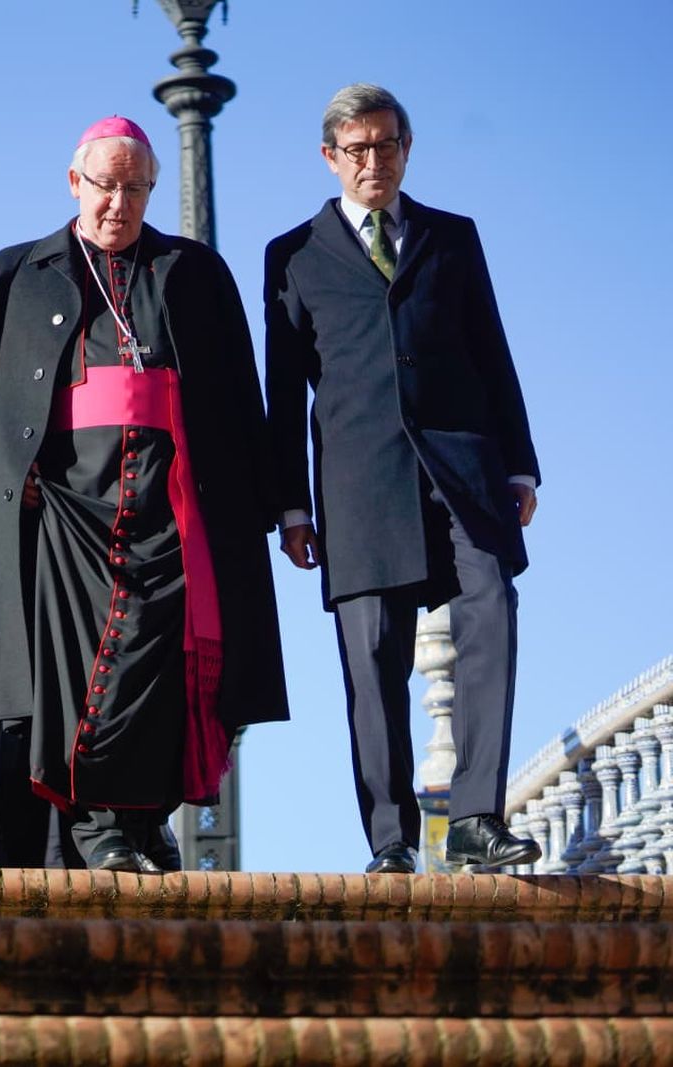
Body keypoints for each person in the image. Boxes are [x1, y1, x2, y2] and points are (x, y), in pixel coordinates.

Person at [0, 116, 289, 874]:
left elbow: (239, 394)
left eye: (136, 189)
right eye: (106, 186)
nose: (119, 204)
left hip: (171, 503)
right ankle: (99, 823)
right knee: (82, 667)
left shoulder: (194, 272)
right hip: (67, 505)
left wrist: (267, 501)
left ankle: (143, 820)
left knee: (167, 664)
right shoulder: (14, 271)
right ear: (75, 182)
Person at [264, 84, 542, 874]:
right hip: (357, 487)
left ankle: (477, 817)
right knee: (373, 656)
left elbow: (493, 352)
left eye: (387, 144)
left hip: (463, 468)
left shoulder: (453, 238)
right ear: (330, 158)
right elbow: (283, 390)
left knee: (492, 605)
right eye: (357, 148)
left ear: (406, 148)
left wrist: (519, 462)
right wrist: (288, 505)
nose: (374, 161)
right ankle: (390, 837)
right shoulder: (292, 254)